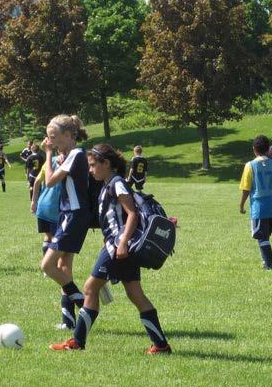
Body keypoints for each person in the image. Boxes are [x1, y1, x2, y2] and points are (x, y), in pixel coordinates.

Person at [49, 143, 171, 354]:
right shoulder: (107, 185)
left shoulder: (117, 183)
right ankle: (161, 345)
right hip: (119, 247)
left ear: (107, 164)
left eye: (93, 165)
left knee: (89, 288)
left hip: (118, 248)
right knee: (136, 295)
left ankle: (77, 343)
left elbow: (131, 213)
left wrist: (122, 242)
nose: (90, 169)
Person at [40, 115, 90, 330]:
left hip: (74, 215)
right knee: (63, 268)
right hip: (67, 214)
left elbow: (49, 181)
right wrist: (56, 154)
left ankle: (84, 304)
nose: (50, 141)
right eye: (49, 138)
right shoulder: (69, 155)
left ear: (69, 135)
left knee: (47, 265)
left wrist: (49, 153)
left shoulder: (77, 154)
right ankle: (68, 322)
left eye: (54, 138)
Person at [239, 135, 272, 270]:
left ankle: (269, 265)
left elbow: (246, 189)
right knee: (264, 235)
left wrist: (241, 205)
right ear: (268, 149)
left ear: (254, 149)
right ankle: (265, 262)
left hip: (259, 205)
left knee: (262, 236)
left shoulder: (250, 165)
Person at [31, 147, 62, 258]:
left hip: (43, 204)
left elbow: (37, 181)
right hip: (55, 206)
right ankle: (51, 264)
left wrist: (34, 201)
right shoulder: (67, 161)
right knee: (56, 237)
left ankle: (45, 264)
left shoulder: (49, 162)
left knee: (47, 235)